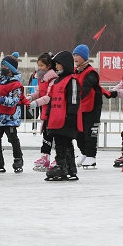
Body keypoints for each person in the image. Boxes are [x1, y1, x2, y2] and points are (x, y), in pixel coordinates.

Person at [44, 51, 82, 182]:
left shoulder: (72, 80)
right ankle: (70, 168)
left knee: (62, 144)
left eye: (58, 64)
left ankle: (61, 166)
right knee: (63, 143)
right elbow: (51, 99)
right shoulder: (56, 81)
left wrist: (71, 116)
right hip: (56, 119)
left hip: (66, 119)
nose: (56, 67)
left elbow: (74, 100)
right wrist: (48, 115)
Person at [0, 52, 25, 173]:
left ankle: (18, 158)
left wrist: (1, 99)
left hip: (10, 118)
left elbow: (14, 101)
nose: (2, 68)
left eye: (5, 66)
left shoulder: (16, 84)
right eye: (2, 66)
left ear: (11, 69)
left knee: (12, 138)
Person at [26, 52, 57, 171]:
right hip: (45, 110)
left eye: (42, 65)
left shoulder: (53, 78)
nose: (39, 68)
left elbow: (49, 96)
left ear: (49, 66)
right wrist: (30, 97)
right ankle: (45, 157)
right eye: (38, 65)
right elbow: (39, 92)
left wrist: (35, 103)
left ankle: (59, 156)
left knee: (55, 136)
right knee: (46, 135)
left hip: (54, 110)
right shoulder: (41, 78)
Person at [72, 44, 102, 169]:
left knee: (90, 133)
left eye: (78, 55)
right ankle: (84, 153)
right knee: (79, 133)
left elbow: (85, 89)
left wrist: (74, 98)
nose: (75, 57)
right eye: (74, 55)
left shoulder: (91, 73)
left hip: (92, 108)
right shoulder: (75, 71)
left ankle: (91, 156)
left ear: (84, 57)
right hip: (80, 108)